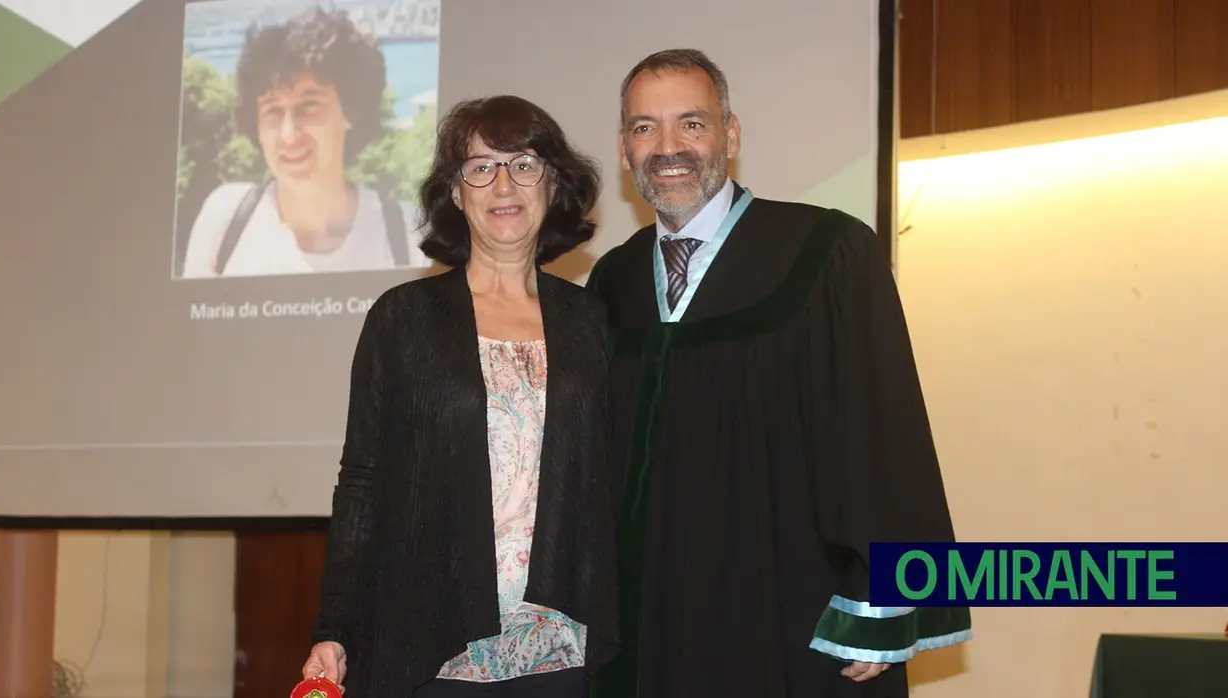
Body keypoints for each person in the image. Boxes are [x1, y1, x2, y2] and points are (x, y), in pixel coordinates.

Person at [584, 49, 972, 698]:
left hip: (786, 608)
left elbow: (880, 430)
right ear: (624, 150)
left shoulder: (826, 252)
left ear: (730, 137)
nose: (668, 147)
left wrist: (880, 597)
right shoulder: (611, 283)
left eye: (692, 123)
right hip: (648, 619)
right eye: (645, 128)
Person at [302, 95, 619, 698]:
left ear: (552, 182)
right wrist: (335, 627)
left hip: (556, 646)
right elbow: (362, 482)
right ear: (455, 191)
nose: (504, 183)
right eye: (481, 167)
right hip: (432, 642)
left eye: (524, 164)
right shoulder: (404, 319)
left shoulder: (590, 323)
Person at [181, 7, 422, 279]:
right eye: (272, 110)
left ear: (350, 112)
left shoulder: (408, 236)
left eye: (308, 106)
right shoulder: (224, 220)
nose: (289, 134)